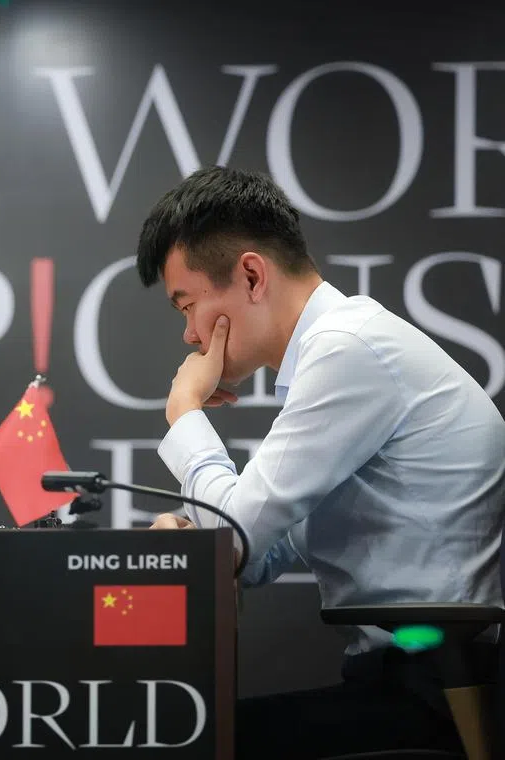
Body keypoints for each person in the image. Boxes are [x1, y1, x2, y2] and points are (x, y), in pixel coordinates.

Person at [137, 165, 505, 756]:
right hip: (416, 680)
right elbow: (255, 555)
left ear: (252, 275)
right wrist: (195, 533)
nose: (188, 337)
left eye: (187, 306)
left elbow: (235, 539)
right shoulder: (340, 350)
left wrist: (184, 412)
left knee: (186, 742)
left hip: (436, 694)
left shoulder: (348, 351)